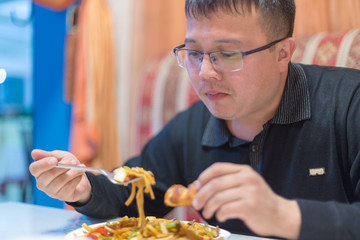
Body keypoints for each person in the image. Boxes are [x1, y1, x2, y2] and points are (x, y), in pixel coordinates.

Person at [29, 0, 360, 239]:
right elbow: (134, 193)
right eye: (194, 53)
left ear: (283, 53)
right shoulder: (193, 125)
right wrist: (83, 187)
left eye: (227, 54)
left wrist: (284, 215)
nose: (205, 73)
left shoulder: (348, 104)